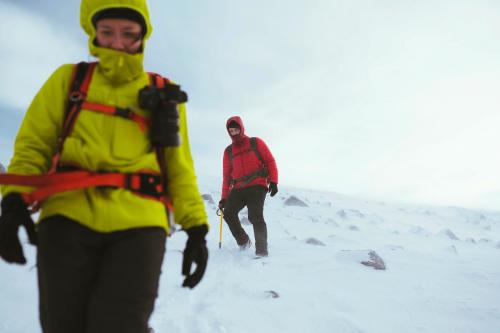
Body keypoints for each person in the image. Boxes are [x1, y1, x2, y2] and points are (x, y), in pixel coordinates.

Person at [0, 1, 209, 332]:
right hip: (67, 217)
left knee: (119, 325)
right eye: (107, 32)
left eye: (129, 33)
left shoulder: (163, 94)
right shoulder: (68, 81)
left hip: (140, 223)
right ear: (93, 32)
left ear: (143, 34)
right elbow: (33, 147)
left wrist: (196, 228)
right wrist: (13, 201)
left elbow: (179, 168)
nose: (118, 43)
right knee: (62, 325)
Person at [218, 116, 278, 257]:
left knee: (255, 216)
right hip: (238, 188)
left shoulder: (255, 142)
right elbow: (227, 177)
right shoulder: (228, 152)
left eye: (236, 129)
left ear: (241, 127)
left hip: (257, 185)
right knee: (228, 213)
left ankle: (262, 251)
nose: (234, 133)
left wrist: (274, 181)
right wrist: (224, 198)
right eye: (231, 130)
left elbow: (270, 161)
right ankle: (243, 241)